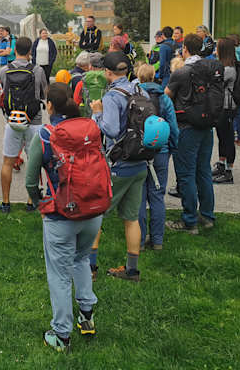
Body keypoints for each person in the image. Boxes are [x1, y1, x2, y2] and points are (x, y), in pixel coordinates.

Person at [24, 82, 102, 353]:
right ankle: (87, 315)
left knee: (58, 275)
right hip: (93, 210)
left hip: (60, 214)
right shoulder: (90, 129)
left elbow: (31, 181)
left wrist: (38, 204)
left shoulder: (46, 135)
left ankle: (61, 334)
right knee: (81, 259)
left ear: (49, 106)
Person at [88, 51, 148, 282]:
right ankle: (131, 270)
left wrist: (97, 113)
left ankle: (90, 268)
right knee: (131, 218)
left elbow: (111, 130)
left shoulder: (113, 96)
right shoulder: (138, 89)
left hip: (119, 164)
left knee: (96, 214)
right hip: (140, 162)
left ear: (108, 73)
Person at [164, 34, 215, 234]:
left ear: (185, 48)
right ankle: (207, 216)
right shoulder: (211, 69)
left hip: (186, 126)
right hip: (206, 125)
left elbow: (166, 96)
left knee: (185, 174)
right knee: (203, 171)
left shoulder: (182, 72)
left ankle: (189, 220)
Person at [0, 36, 47, 213]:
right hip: (33, 120)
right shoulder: (38, 70)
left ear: (14, 50)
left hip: (12, 121)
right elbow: (43, 92)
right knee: (34, 161)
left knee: (7, 162)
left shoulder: (4, 70)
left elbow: (3, 92)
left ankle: (5, 202)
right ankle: (30, 201)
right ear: (30, 52)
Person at [135, 63, 178, 251]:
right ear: (154, 77)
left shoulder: (134, 97)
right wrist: (172, 147)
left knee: (139, 197)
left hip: (139, 152)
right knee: (157, 195)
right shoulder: (164, 99)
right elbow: (173, 126)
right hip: (160, 151)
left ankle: (140, 237)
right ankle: (158, 240)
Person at [212, 38, 238, 184]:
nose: (215, 50)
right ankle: (221, 164)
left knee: (228, 138)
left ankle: (229, 171)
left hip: (227, 107)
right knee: (222, 136)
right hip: (222, 106)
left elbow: (216, 84)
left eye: (217, 48)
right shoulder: (224, 66)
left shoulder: (228, 69)